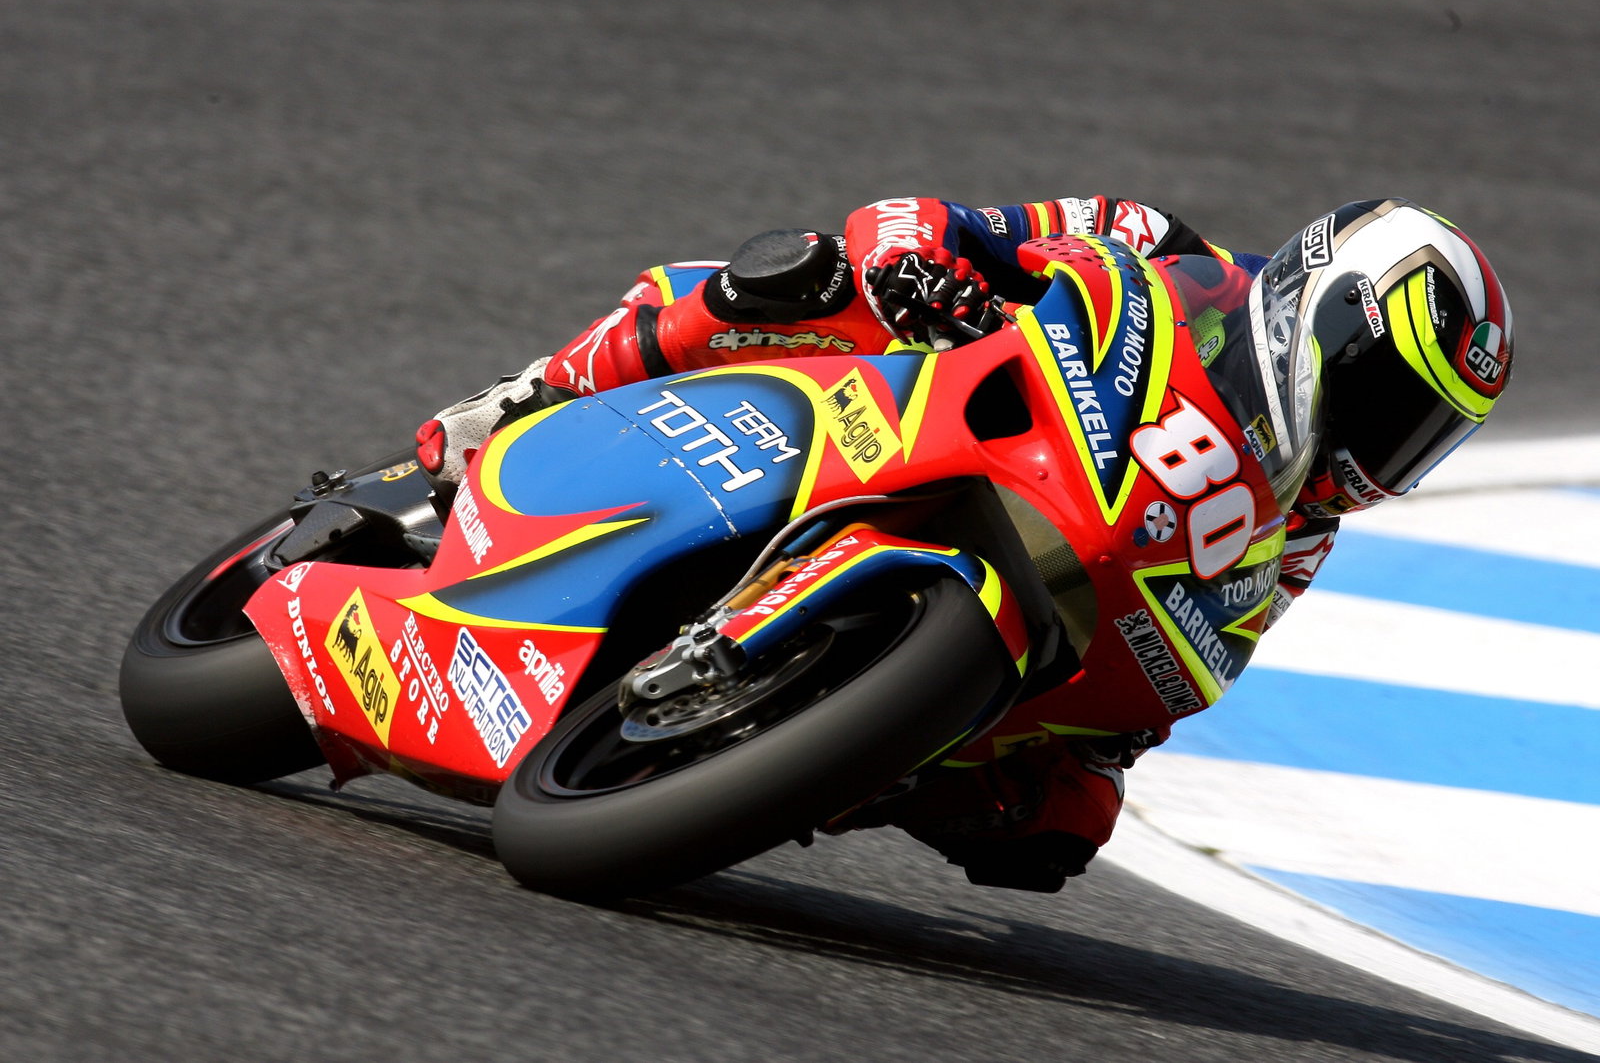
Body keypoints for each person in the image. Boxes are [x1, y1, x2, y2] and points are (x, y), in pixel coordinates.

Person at [415, 194, 1514, 891]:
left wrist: (1113, 736)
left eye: (1421, 440)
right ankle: (526, 399)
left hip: (1053, 556)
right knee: (801, 270)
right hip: (926, 393)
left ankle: (809, 752)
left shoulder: (1299, 526)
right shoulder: (1167, 250)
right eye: (1388, 407)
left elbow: (1226, 634)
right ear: (1321, 319)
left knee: (1057, 832)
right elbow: (938, 219)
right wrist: (920, 263)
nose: (1387, 451)